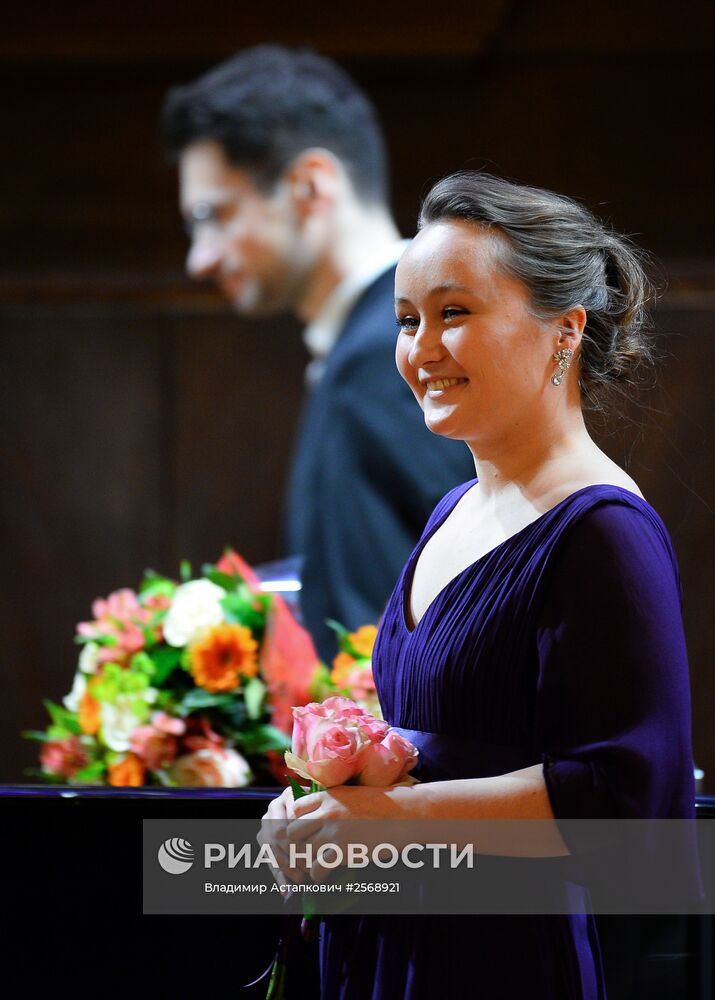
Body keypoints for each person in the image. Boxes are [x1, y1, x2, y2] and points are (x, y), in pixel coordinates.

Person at [261, 172, 698, 998]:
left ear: (563, 331)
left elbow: (625, 800)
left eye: (452, 313)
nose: (419, 349)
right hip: (396, 938)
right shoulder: (451, 510)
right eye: (406, 320)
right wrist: (332, 810)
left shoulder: (603, 530)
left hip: (504, 955)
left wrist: (391, 823)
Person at [160, 46, 474, 661]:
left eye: (214, 214)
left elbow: (419, 619)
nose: (201, 258)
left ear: (310, 186)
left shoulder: (389, 356)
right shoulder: (381, 345)